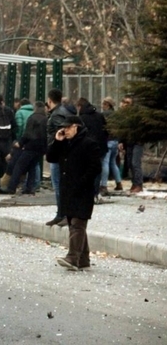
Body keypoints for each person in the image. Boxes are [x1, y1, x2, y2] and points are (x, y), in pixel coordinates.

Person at [46, 115, 101, 271]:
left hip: (83, 190)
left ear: (76, 127)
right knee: (74, 223)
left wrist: (82, 182)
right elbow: (51, 157)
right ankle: (83, 259)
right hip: (68, 190)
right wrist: (57, 141)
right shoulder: (65, 143)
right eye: (64, 128)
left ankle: (72, 258)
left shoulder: (89, 143)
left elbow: (95, 168)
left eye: (68, 127)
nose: (65, 130)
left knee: (78, 223)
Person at [3, 101, 48, 194]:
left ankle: (11, 187)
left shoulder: (32, 118)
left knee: (19, 166)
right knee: (32, 167)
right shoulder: (45, 119)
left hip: (30, 146)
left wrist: (21, 143)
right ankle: (30, 188)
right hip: (40, 148)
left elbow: (27, 133)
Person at [44, 89, 73, 227]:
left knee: (59, 185)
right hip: (60, 154)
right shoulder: (64, 112)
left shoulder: (56, 115)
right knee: (60, 185)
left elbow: (61, 134)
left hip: (58, 155)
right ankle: (61, 214)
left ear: (50, 100)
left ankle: (63, 214)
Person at [76, 97, 108, 201]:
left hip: (86, 147)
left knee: (86, 170)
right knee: (97, 169)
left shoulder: (81, 118)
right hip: (100, 147)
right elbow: (106, 130)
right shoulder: (99, 115)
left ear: (80, 107)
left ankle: (88, 193)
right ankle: (96, 192)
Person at [117, 95, 144, 193]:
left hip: (137, 141)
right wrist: (121, 141)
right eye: (124, 102)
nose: (124, 105)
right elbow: (122, 130)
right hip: (128, 142)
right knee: (130, 163)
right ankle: (134, 183)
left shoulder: (136, 116)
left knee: (135, 163)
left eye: (127, 103)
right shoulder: (123, 116)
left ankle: (138, 184)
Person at [100, 97, 123, 194]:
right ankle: (119, 183)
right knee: (113, 163)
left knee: (105, 163)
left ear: (107, 105)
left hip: (108, 141)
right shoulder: (117, 115)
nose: (102, 106)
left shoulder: (104, 115)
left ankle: (103, 185)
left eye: (103, 104)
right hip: (116, 141)